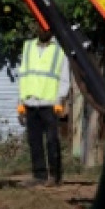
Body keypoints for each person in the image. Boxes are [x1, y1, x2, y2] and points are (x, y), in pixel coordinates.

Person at [17, 32, 70, 186]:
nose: (42, 30)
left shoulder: (59, 50)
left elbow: (64, 78)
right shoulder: (28, 47)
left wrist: (60, 99)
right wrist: (20, 102)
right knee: (34, 141)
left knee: (52, 140)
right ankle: (39, 176)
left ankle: (55, 176)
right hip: (30, 102)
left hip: (50, 103)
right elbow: (23, 75)